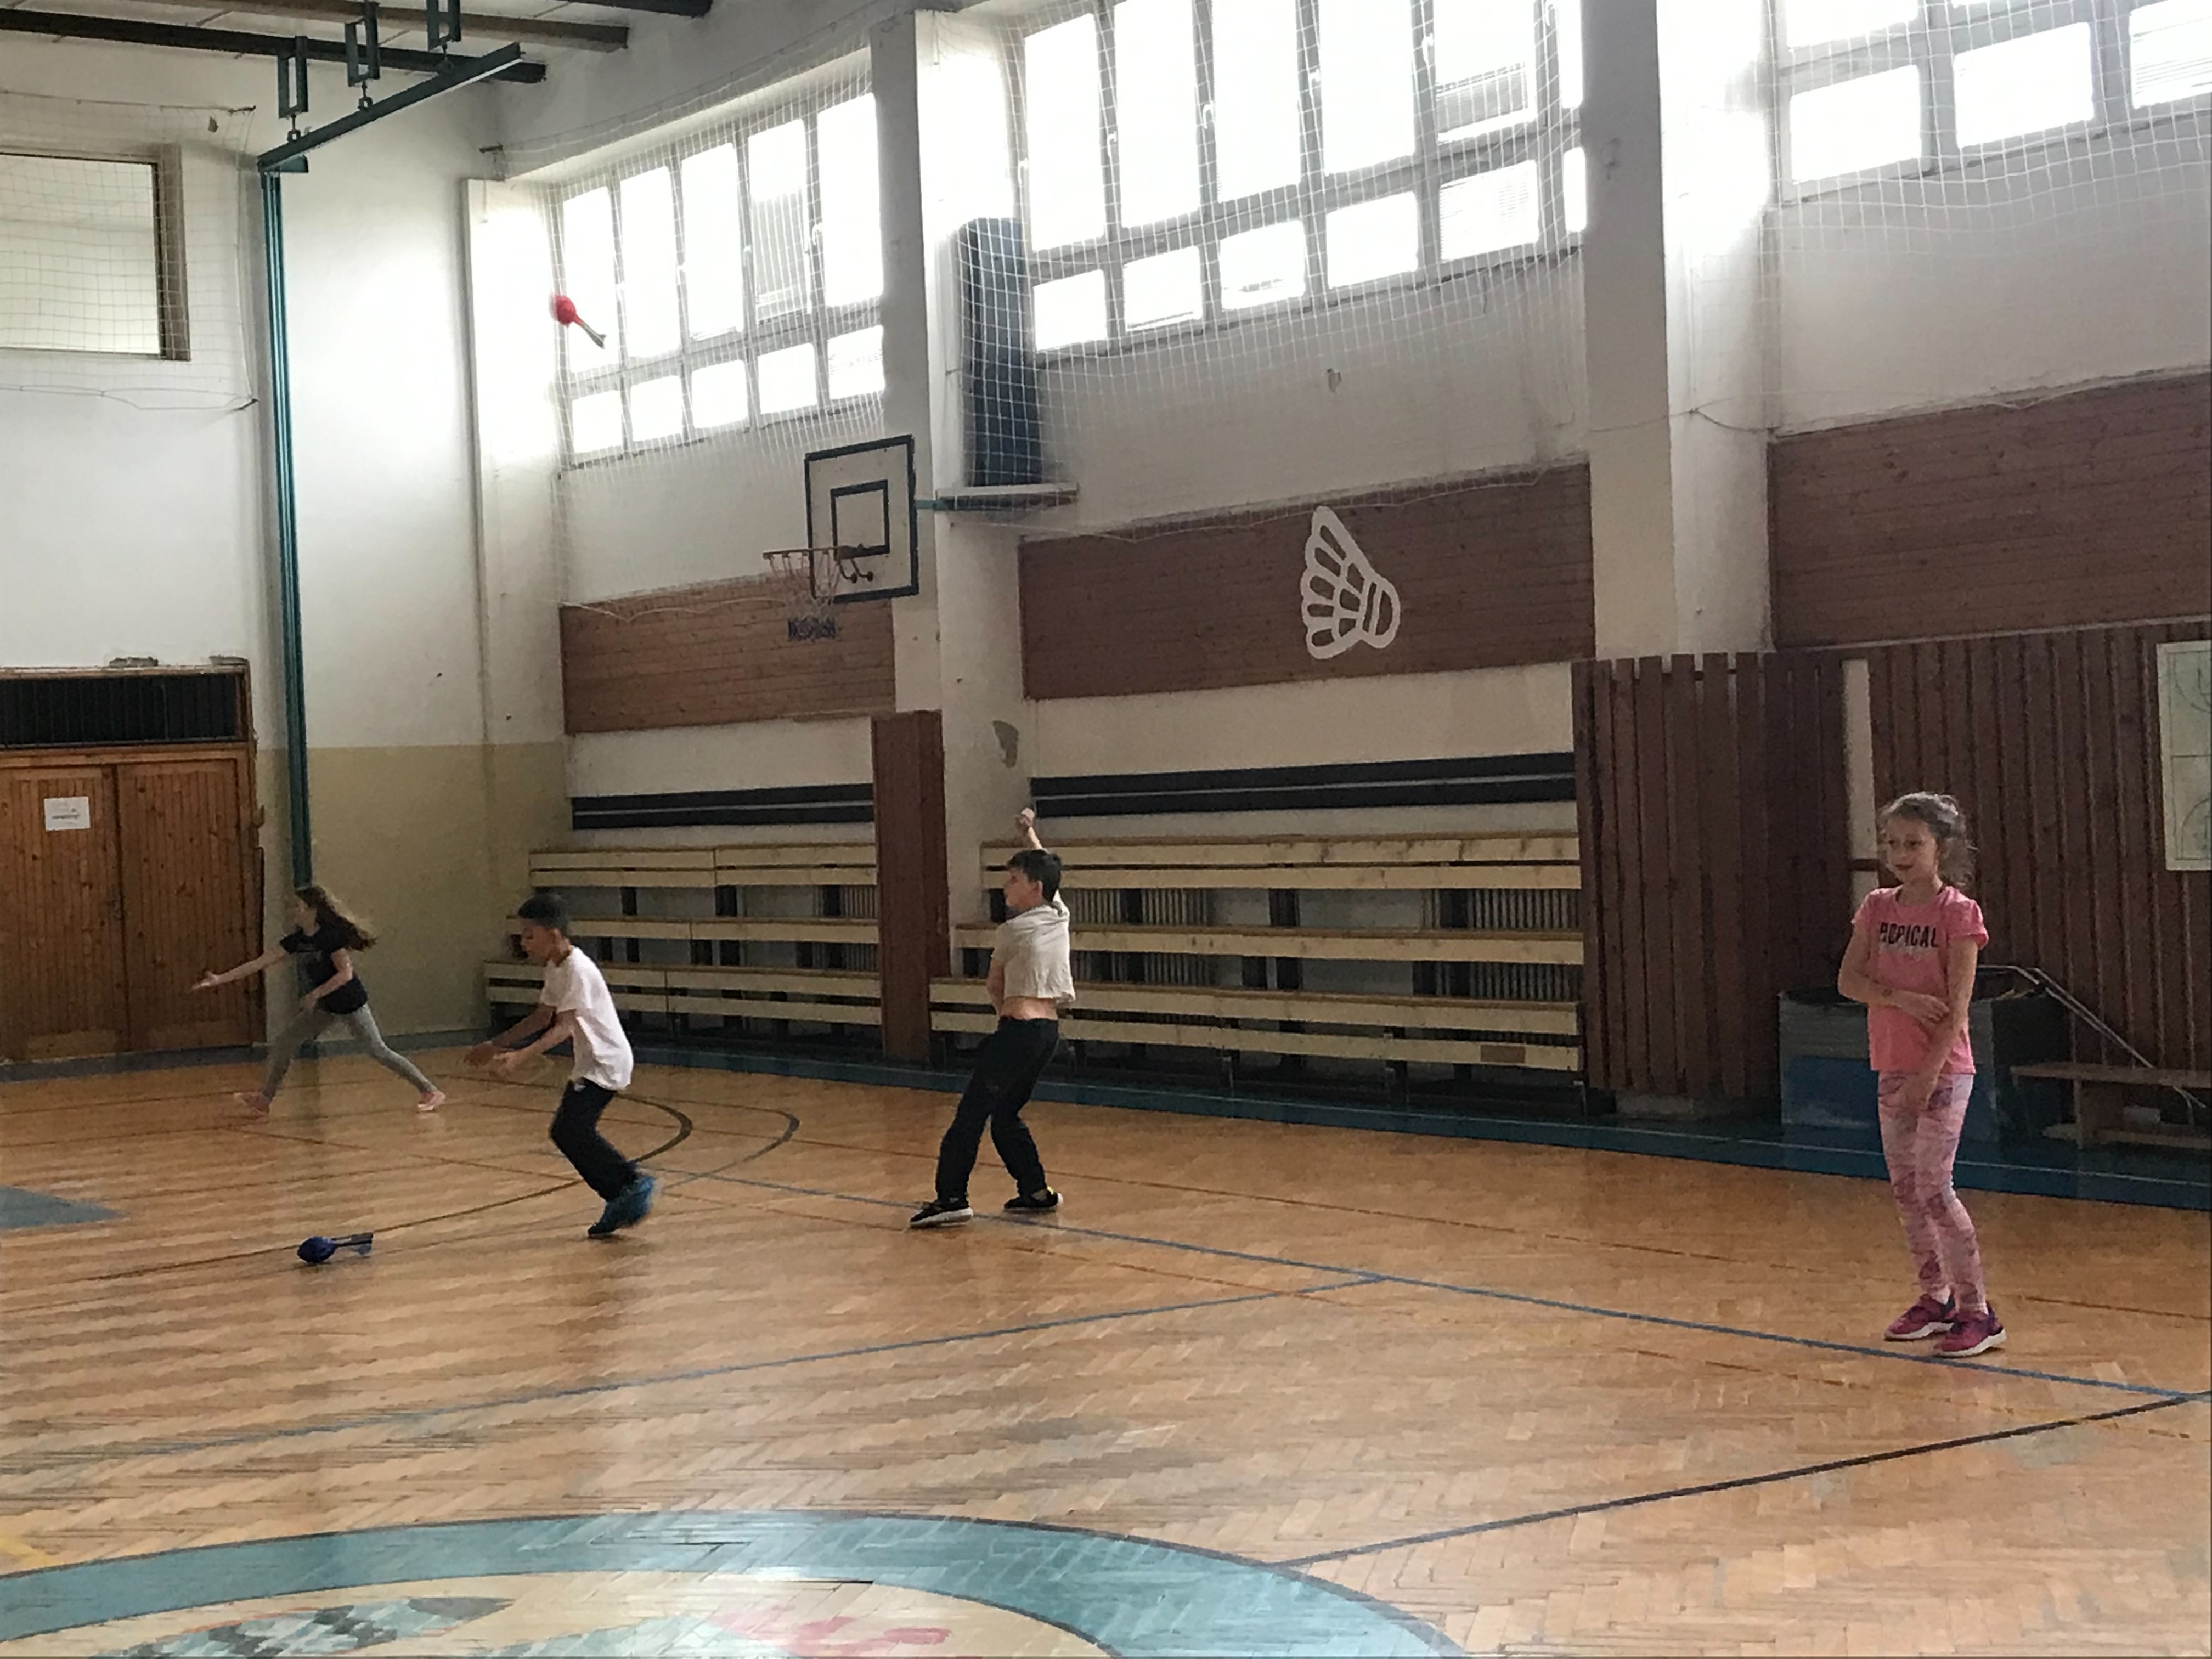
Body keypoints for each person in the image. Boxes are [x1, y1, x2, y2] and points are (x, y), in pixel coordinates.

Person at [1837, 792, 2003, 1357]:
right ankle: (1935, 1297)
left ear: (1941, 847)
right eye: (1892, 844)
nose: (1901, 854)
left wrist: (1927, 1077)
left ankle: (1978, 1312)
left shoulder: (1958, 913)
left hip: (1943, 1071)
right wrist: (1899, 998)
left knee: (1935, 1187)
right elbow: (1849, 981)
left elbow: (1956, 1010)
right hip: (1891, 1062)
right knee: (1907, 1191)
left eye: (1914, 843)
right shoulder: (1877, 907)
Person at [910, 808, 1073, 1229]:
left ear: (1034, 888)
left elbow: (993, 983)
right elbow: (1048, 869)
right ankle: (1036, 1190)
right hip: (1047, 1033)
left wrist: (1005, 1016)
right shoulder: (1058, 915)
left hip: (1019, 1032)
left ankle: (951, 1198)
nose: (1006, 886)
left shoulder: (1011, 931)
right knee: (1005, 1114)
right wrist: (1029, 834)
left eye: (1013, 879)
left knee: (970, 1115)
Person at [467, 891, 655, 1238]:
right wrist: (496, 1044)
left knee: (571, 1130)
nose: (523, 943)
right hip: (591, 1061)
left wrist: (520, 1057)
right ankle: (620, 1193)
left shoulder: (577, 970)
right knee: (569, 1132)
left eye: (529, 935)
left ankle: (629, 1184)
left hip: (606, 1061)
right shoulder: (557, 967)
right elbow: (542, 1017)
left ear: (552, 934)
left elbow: (564, 1027)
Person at [198, 885, 444, 1115]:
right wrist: (220, 979)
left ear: (312, 910)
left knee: (378, 1050)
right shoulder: (297, 941)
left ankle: (430, 1091)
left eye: (297, 906)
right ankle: (264, 1100)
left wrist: (315, 994)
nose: (292, 911)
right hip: (326, 1007)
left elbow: (345, 974)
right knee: (285, 1042)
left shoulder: (330, 937)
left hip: (350, 1003)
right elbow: (259, 963)